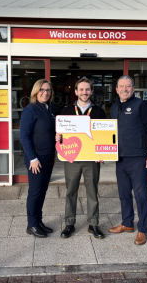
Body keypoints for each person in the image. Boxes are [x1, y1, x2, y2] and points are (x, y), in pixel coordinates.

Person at [109, 75, 147, 245]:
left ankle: (143, 229)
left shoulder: (141, 105)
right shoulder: (114, 108)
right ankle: (127, 223)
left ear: (133, 88)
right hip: (120, 159)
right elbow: (110, 134)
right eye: (121, 86)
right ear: (116, 89)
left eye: (128, 86)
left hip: (138, 159)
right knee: (124, 194)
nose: (124, 89)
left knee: (140, 195)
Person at [56, 78, 106, 239]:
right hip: (72, 158)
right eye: (81, 89)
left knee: (92, 191)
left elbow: (104, 136)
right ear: (76, 91)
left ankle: (93, 224)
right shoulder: (67, 111)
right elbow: (62, 136)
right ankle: (69, 224)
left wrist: (102, 154)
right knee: (71, 191)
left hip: (92, 159)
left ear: (91, 91)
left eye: (87, 89)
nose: (84, 92)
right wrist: (59, 137)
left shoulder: (99, 112)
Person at [20, 79, 56, 238]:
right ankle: (31, 225)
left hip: (48, 156)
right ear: (36, 91)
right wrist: (33, 158)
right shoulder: (30, 110)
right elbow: (24, 136)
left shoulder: (50, 108)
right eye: (42, 89)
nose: (45, 92)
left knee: (43, 190)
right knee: (35, 192)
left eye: (48, 90)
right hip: (36, 158)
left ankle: (38, 221)